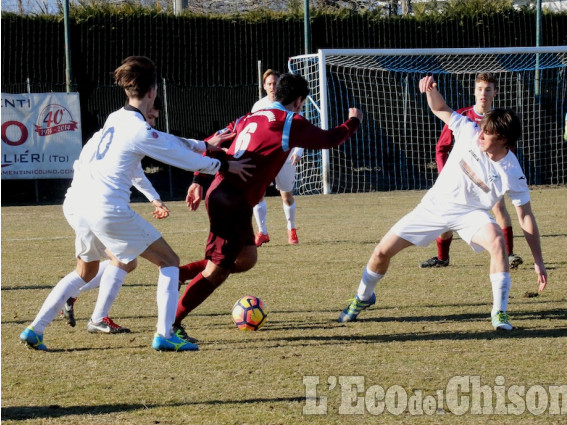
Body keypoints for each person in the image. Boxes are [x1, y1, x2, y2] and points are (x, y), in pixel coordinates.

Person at [20, 56, 252, 351]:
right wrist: (222, 165)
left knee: (86, 273)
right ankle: (164, 334)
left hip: (81, 207)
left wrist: (204, 144)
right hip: (107, 209)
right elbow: (175, 155)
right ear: (153, 91)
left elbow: (164, 138)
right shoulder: (139, 130)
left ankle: (35, 329)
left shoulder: (116, 118)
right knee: (168, 261)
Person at [338, 75, 547, 331]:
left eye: (488, 133)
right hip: (434, 207)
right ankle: (363, 297)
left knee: (497, 241)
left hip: (472, 214)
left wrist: (538, 260)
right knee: (381, 252)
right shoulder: (469, 131)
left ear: (503, 140)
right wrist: (430, 90)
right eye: (481, 129)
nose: (480, 135)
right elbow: (440, 108)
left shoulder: (512, 170)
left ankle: (499, 313)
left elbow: (525, 216)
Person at [174, 73, 362, 342]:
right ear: (298, 101)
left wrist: (198, 180)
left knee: (246, 259)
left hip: (228, 196)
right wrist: (353, 120)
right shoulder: (289, 122)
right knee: (217, 270)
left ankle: (182, 274)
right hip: (230, 200)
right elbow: (330, 139)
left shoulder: (247, 118)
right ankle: (172, 322)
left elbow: (212, 141)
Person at [60, 96, 169, 333]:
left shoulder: (112, 133)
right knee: (124, 260)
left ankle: (74, 299)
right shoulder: (118, 135)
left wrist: (154, 199)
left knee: (125, 261)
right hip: (89, 206)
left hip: (84, 205)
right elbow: (135, 173)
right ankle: (93, 315)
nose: (150, 123)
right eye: (150, 117)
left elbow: (135, 173)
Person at [420, 73, 523, 270]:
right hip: (462, 177)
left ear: (495, 92)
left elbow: (506, 151)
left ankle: (508, 254)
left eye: (488, 89)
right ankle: (443, 258)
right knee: (447, 216)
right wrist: (443, 174)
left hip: (488, 180)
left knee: (499, 207)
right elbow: (441, 148)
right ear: (474, 91)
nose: (483, 93)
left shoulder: (500, 120)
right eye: (480, 89)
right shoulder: (463, 116)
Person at [251, 69, 304, 246]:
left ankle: (291, 229)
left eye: (275, 83)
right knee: (257, 194)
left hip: (285, 157)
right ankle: (262, 232)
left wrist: (298, 151)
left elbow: (301, 129)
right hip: (264, 158)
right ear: (264, 87)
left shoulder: (290, 104)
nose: (273, 87)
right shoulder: (258, 106)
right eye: (269, 84)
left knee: (286, 195)